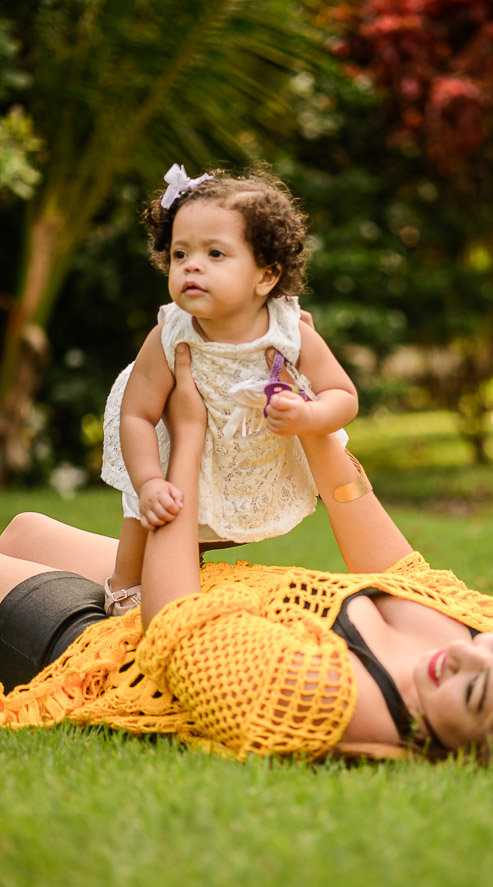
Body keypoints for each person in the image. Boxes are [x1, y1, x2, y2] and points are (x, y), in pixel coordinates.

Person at [0, 344, 493, 768]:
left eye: (472, 693)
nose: (463, 654)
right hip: (198, 590)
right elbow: (399, 572)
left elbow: (173, 626)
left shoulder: (322, 700)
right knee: (24, 526)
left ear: (474, 754)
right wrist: (313, 423)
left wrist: (187, 439)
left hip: (108, 647)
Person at [101, 163, 358, 615]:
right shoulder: (171, 334)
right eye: (180, 254)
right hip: (173, 440)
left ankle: (184, 570)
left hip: (248, 442)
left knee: (211, 521)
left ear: (266, 276)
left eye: (215, 254)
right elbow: (138, 413)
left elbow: (343, 395)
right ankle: (123, 587)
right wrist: (147, 483)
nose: (192, 265)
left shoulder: (289, 331)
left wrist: (308, 416)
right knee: (152, 514)